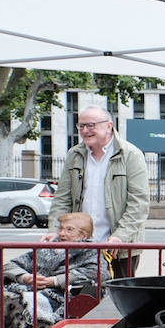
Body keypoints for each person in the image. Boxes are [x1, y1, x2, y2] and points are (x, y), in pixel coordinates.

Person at [0, 212, 109, 328]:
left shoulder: (90, 251)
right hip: (30, 288)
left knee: (19, 304)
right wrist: (25, 277)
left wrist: (54, 281)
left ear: (83, 235)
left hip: (61, 295)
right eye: (60, 228)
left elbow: (99, 273)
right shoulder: (48, 247)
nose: (62, 233)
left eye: (69, 230)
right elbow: (10, 265)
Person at [46, 106, 149, 278]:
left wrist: (120, 237)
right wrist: (54, 230)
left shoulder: (130, 155)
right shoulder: (74, 155)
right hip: (79, 245)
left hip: (118, 248)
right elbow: (62, 198)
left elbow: (139, 203)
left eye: (91, 125)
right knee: (79, 298)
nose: (85, 131)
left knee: (117, 299)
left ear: (109, 126)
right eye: (81, 126)